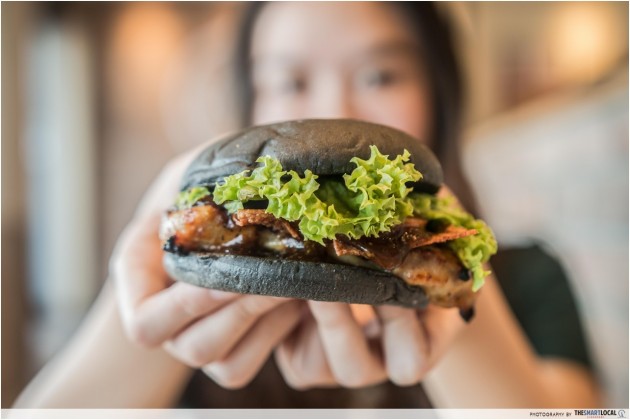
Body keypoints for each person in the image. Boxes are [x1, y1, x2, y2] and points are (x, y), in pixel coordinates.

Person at [14, 2, 600, 408]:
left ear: (440, 95)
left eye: (380, 75)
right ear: (250, 105)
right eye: (289, 82)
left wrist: (459, 307)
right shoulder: (195, 298)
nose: (334, 109)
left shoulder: (532, 276)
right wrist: (142, 311)